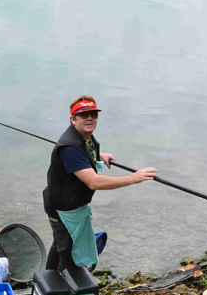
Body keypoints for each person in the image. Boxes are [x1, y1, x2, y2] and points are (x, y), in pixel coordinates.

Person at [43, 95, 158, 272]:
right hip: (63, 209)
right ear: (73, 120)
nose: (90, 118)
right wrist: (133, 178)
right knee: (69, 254)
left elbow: (84, 153)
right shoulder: (69, 147)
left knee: (61, 244)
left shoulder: (86, 138)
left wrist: (97, 156)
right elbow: (93, 182)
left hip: (65, 204)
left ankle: (45, 279)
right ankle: (59, 294)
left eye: (93, 114)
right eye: (83, 115)